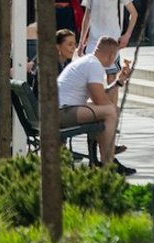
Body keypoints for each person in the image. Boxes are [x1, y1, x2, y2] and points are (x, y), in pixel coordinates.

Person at [57, 35, 134, 172]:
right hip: (62, 112)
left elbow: (99, 97)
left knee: (109, 111)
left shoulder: (88, 61)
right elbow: (100, 100)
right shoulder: (94, 66)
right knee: (110, 112)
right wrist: (113, 109)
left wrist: (118, 82)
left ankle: (104, 156)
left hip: (60, 111)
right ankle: (108, 162)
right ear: (111, 55)